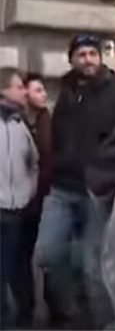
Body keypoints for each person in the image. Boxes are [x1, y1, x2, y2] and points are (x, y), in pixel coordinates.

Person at [39, 33, 115, 328]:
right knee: (48, 254)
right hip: (62, 188)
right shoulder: (67, 92)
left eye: (92, 54)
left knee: (94, 268)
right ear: (72, 59)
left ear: (100, 57)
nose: (88, 59)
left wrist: (113, 177)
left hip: (98, 192)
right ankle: (70, 310)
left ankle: (106, 323)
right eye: (81, 54)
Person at [10, 73, 52, 327]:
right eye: (37, 90)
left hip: (40, 197)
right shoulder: (17, 123)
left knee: (39, 255)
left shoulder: (48, 121)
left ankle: (36, 308)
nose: (43, 95)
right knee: (20, 257)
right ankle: (25, 309)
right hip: (21, 200)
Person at [1, 68, 39, 328]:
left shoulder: (20, 123)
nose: (23, 91)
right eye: (18, 86)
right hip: (1, 208)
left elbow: (33, 162)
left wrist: (29, 192)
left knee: (21, 266)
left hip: (22, 208)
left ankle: (26, 317)